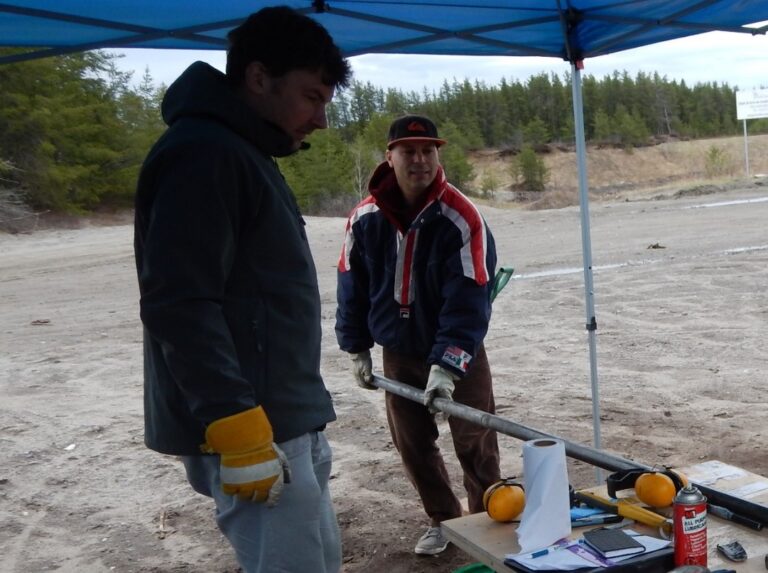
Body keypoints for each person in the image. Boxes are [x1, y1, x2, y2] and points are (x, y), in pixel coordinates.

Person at [133, 7, 351, 572]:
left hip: (284, 414)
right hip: (253, 423)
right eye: (312, 97)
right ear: (258, 77)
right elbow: (179, 302)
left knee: (320, 561)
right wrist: (234, 421)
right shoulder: (204, 153)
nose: (321, 119)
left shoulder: (244, 149)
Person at [335, 115, 501, 556]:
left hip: (459, 351)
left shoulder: (461, 217)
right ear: (389, 157)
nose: (420, 160)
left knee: (475, 438)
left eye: (428, 150)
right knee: (413, 444)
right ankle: (443, 520)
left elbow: (470, 297)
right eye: (408, 151)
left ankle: (487, 522)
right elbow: (351, 284)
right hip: (398, 351)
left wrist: (449, 364)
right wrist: (356, 347)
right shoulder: (364, 218)